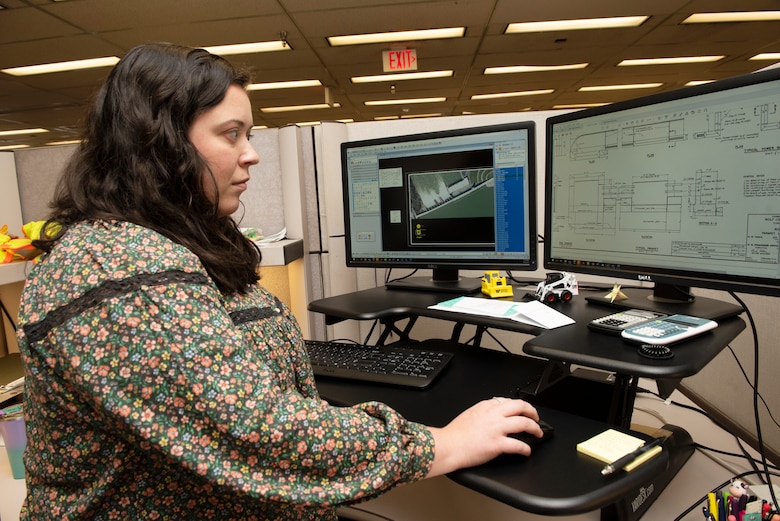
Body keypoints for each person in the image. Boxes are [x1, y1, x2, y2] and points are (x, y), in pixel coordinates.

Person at [16, 43, 543, 520]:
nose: (252, 153)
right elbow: (257, 431)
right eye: (231, 134)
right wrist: (439, 445)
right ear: (161, 144)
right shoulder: (114, 269)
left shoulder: (179, 245)